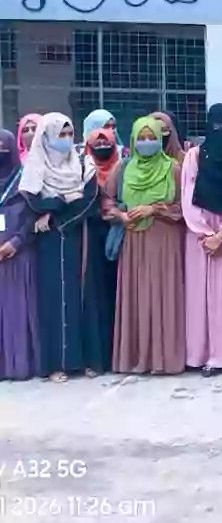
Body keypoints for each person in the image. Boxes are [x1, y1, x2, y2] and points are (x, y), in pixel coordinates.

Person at [20, 113, 104, 382]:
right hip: (49, 242)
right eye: (60, 134)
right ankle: (56, 365)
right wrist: (64, 199)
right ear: (46, 138)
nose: (66, 140)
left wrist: (57, 214)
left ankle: (89, 360)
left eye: (70, 134)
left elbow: (90, 201)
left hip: (79, 235)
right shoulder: (35, 167)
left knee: (84, 295)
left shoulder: (83, 162)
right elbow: (33, 202)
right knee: (54, 299)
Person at [108, 116, 185, 375]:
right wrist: (120, 216)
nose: (147, 142)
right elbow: (106, 201)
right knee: (137, 296)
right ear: (132, 140)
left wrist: (153, 208)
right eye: (141, 138)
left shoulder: (173, 168)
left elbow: (184, 207)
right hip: (133, 241)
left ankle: (164, 359)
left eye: (152, 138)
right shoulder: (124, 168)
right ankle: (135, 358)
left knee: (163, 296)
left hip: (164, 240)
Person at [181, 105, 222, 377]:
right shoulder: (194, 156)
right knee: (200, 297)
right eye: (216, 126)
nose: (221, 132)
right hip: (200, 236)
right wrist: (206, 233)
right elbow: (187, 194)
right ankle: (201, 355)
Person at [0, 129, 39, 381]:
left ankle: (21, 365)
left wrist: (17, 241)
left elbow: (35, 216)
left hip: (19, 256)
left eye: (3, 148)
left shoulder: (26, 182)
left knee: (17, 312)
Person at [82, 127, 121, 369]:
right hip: (92, 240)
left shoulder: (123, 168)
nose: (102, 147)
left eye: (106, 142)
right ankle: (100, 357)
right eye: (96, 143)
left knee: (120, 294)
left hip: (122, 236)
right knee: (98, 297)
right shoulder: (83, 171)